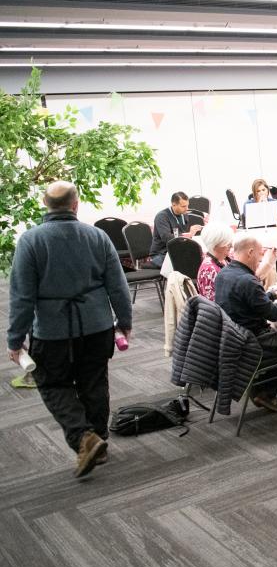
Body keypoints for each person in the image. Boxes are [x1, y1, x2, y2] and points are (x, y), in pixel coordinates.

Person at [7, 182, 132, 478]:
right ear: (75, 205)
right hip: (98, 326)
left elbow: (22, 297)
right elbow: (118, 286)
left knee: (52, 384)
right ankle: (98, 438)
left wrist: (15, 340)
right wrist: (124, 323)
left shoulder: (31, 240)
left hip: (52, 331)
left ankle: (84, 438)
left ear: (45, 204)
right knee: (94, 381)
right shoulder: (97, 236)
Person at [213, 232, 277, 410]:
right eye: (259, 254)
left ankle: (266, 387)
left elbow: (248, 302)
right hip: (253, 340)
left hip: (233, 338)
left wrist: (273, 294)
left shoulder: (224, 274)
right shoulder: (247, 280)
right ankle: (266, 391)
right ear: (250, 252)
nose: (260, 259)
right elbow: (272, 313)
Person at [149, 191, 203, 267]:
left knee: (199, 258)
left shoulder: (184, 215)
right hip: (161, 254)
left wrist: (192, 233)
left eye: (187, 205)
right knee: (186, 264)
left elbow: (186, 236)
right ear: (174, 205)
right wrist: (187, 235)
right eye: (183, 206)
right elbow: (167, 238)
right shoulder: (161, 217)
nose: (187, 209)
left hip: (178, 251)